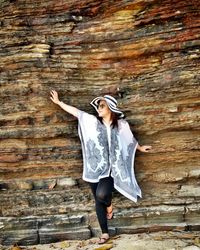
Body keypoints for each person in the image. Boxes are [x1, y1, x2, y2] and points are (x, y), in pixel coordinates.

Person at [50, 90, 152, 244]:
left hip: (112, 169)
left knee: (102, 195)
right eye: (98, 106)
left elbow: (129, 139)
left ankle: (109, 205)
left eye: (102, 105)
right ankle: (104, 233)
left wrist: (140, 147)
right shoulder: (93, 121)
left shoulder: (122, 125)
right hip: (95, 167)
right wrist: (59, 103)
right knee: (97, 200)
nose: (99, 108)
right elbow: (77, 113)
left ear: (111, 108)